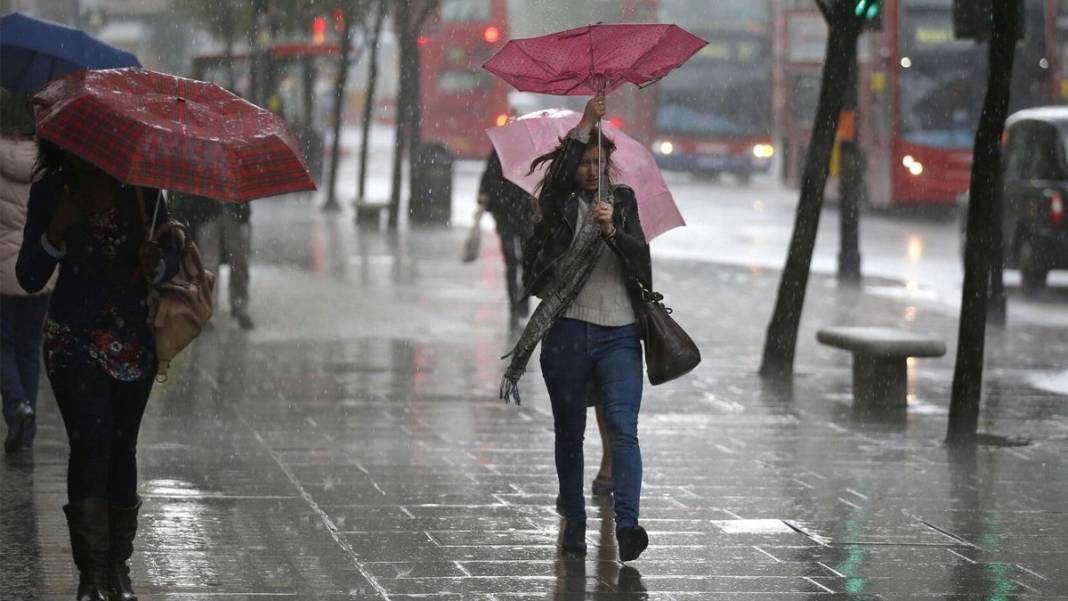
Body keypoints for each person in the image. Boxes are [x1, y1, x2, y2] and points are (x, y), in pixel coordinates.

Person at [16, 139, 179, 601]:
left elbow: (172, 258)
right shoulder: (53, 190)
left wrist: (157, 264)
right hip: (73, 341)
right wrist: (57, 232)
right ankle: (91, 576)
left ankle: (117, 571)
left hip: (132, 342)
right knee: (91, 443)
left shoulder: (143, 192)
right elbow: (29, 274)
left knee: (122, 448)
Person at [500, 95, 652, 561]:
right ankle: (574, 521)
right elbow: (558, 188)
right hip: (567, 332)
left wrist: (614, 233)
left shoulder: (622, 203)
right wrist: (585, 124)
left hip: (620, 334)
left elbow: (644, 265)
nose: (591, 169)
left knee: (623, 429)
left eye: (598, 161)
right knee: (569, 430)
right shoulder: (559, 204)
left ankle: (628, 525)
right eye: (584, 161)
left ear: (610, 165)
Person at [1, 90, 52, 454]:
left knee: (2, 344)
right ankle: (26, 418)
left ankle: (17, 406)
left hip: (0, 273)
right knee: (29, 348)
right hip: (37, 270)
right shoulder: (48, 160)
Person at [170, 193, 254, 330]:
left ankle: (239, 307)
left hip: (235, 210)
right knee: (208, 264)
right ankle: (209, 311)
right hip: (207, 212)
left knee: (239, 262)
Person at [478, 148, 534, 325]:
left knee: (527, 260)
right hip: (505, 213)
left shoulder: (534, 153)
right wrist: (486, 195)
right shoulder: (500, 150)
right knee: (511, 259)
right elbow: (489, 175)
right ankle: (513, 305)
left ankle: (523, 297)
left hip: (526, 213)